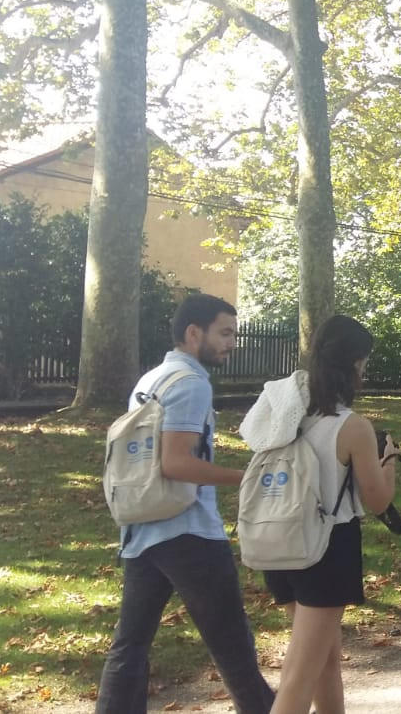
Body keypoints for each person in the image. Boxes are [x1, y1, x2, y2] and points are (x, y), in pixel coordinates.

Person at [97, 294, 276, 714]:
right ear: (194, 333)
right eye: (225, 333)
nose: (232, 343)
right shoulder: (192, 382)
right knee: (234, 647)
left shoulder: (151, 379)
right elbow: (175, 462)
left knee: (130, 646)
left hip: (143, 529)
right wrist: (247, 478)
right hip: (188, 531)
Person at [262, 315, 399, 714]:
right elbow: (378, 501)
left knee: (324, 659)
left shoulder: (286, 414)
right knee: (298, 677)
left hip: (280, 540)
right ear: (355, 362)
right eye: (365, 360)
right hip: (326, 548)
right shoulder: (351, 426)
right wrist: (388, 459)